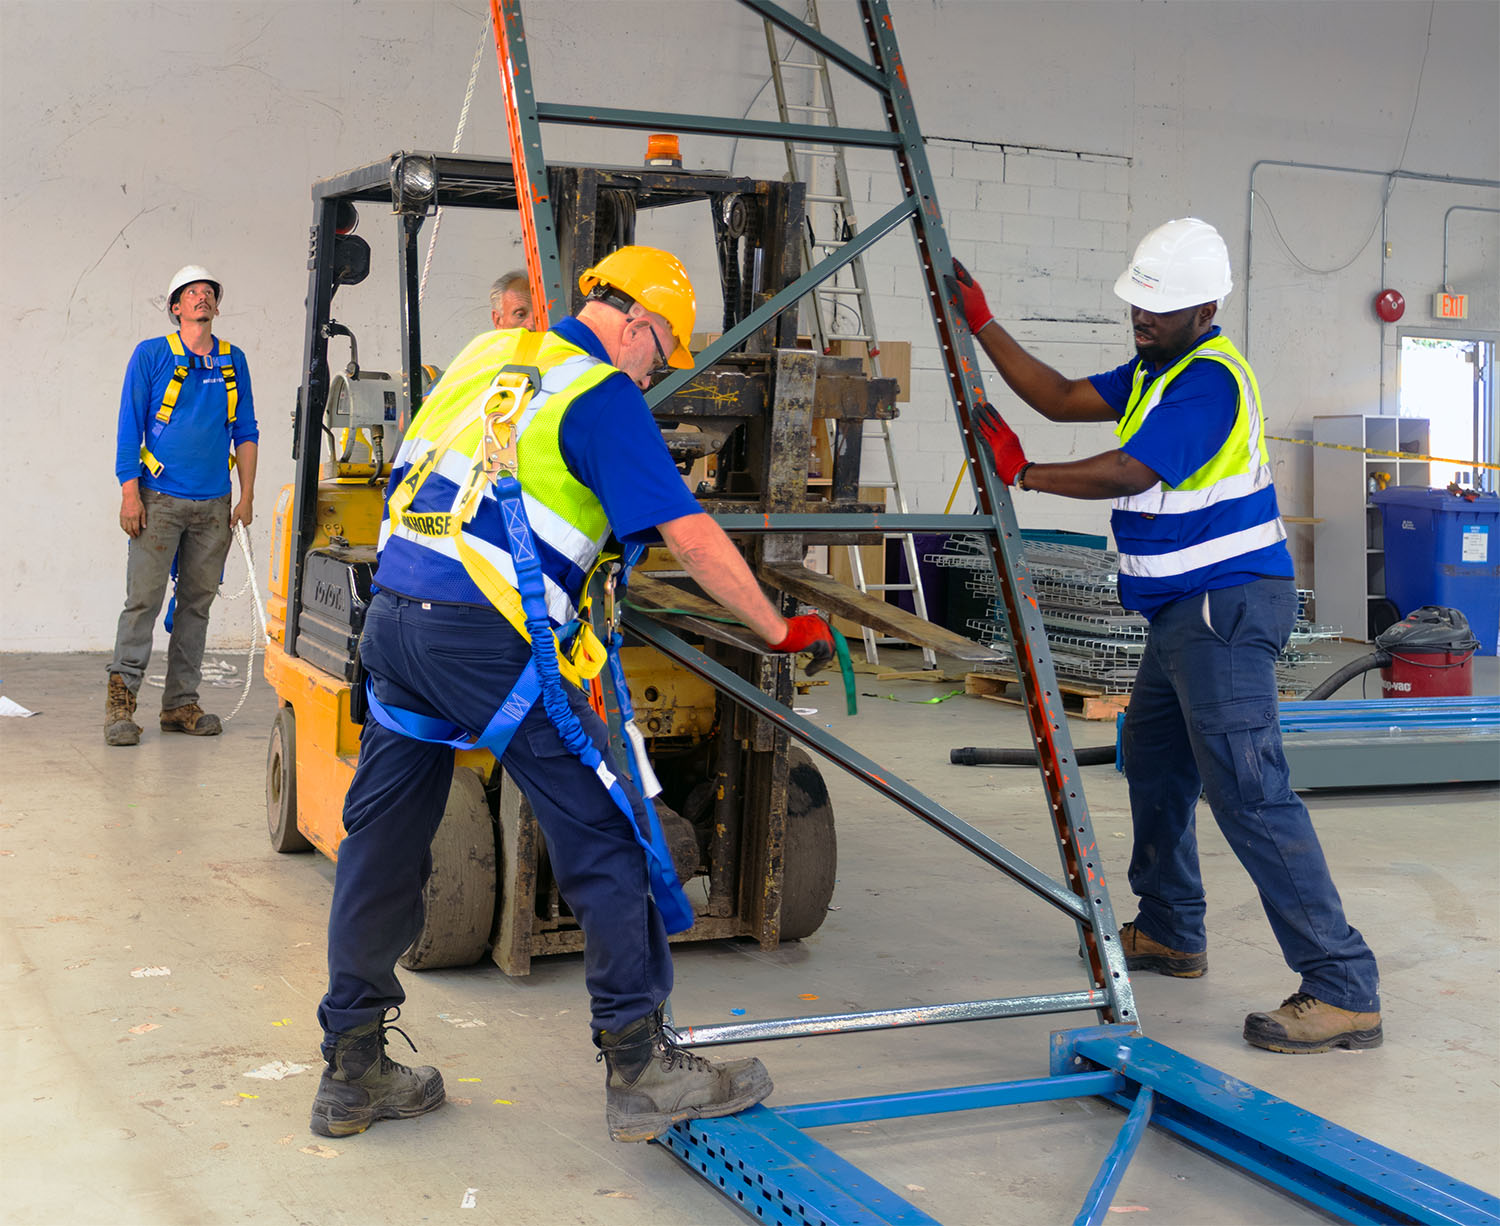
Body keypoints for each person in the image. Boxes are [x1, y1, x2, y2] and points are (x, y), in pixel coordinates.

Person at [310, 245, 836, 1141]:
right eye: (659, 349)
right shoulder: (600, 394)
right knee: (613, 833)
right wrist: (778, 629)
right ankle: (639, 1064)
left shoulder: (485, 354)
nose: (655, 370)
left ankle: (352, 1072)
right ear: (632, 324)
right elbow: (693, 537)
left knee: (384, 842)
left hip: (395, 622)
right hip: (487, 641)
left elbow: (420, 478)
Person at [948, 219, 1382, 1055]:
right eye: (1138, 305)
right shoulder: (1160, 367)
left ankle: (1341, 984)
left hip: (1223, 610)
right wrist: (983, 322)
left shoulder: (1209, 382)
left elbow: (1127, 470)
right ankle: (1174, 930)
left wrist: (1022, 473)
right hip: (1183, 612)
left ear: (1206, 307)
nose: (1141, 319)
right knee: (1151, 757)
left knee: (1250, 794)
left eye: (1160, 308)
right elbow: (1062, 398)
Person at [106, 265, 259, 746]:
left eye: (208, 292)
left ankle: (179, 705)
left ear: (216, 305)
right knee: (143, 602)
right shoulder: (151, 355)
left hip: (214, 505)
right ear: (176, 308)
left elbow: (247, 431)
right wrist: (130, 493)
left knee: (196, 606)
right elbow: (130, 426)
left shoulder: (232, 361)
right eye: (191, 293)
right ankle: (120, 704)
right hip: (158, 500)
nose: (201, 298)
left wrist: (247, 495)